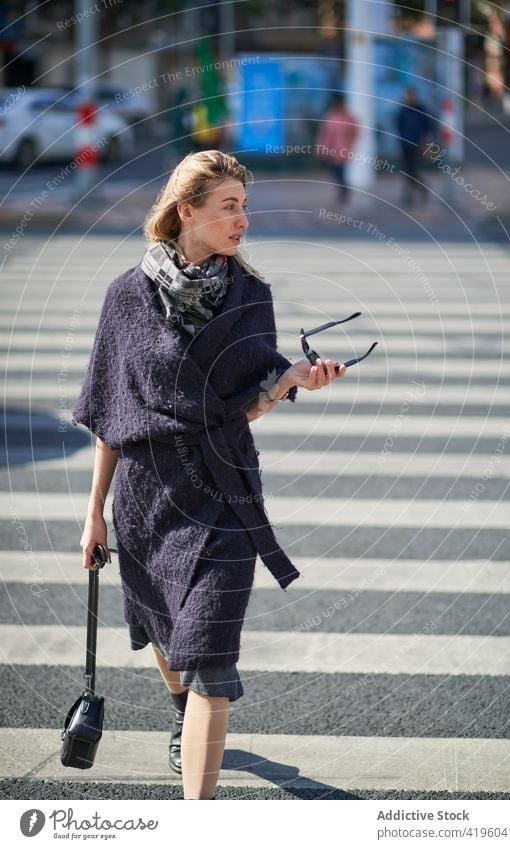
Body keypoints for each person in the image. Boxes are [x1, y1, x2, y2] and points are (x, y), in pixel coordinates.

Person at [72, 150, 348, 801]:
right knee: (168, 634)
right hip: (145, 498)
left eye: (244, 207)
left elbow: (246, 406)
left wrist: (288, 380)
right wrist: (93, 513)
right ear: (186, 210)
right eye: (230, 206)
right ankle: (180, 714)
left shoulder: (252, 298)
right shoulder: (126, 298)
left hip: (225, 495)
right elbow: (112, 415)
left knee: (212, 667)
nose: (243, 220)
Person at [315, 93, 360, 204]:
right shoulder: (331, 116)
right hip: (330, 150)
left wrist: (349, 145)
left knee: (340, 171)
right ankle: (344, 191)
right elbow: (324, 134)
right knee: (334, 171)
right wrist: (321, 148)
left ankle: (344, 192)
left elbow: (355, 133)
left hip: (343, 150)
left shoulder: (349, 117)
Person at [396, 87, 433, 207]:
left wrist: (426, 143)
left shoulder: (421, 110)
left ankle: (413, 193)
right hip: (404, 145)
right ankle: (414, 192)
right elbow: (398, 126)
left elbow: (428, 127)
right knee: (408, 170)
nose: (407, 98)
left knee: (413, 169)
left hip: (418, 145)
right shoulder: (403, 111)